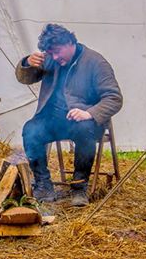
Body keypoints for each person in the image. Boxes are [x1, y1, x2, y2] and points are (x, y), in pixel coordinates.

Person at [16, 24, 123, 206]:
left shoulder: (96, 62)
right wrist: (26, 62)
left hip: (85, 122)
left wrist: (89, 113)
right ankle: (43, 185)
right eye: (51, 53)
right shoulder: (51, 59)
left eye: (57, 52)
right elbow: (25, 78)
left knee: (84, 129)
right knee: (31, 130)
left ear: (70, 42)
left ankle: (79, 187)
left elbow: (114, 98)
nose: (55, 58)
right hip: (54, 120)